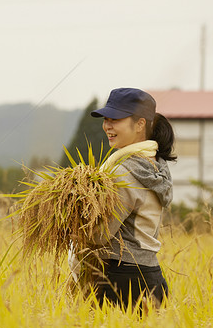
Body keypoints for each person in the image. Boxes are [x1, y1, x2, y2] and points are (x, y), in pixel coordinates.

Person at [75, 87, 175, 310]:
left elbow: (100, 234)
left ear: (140, 124)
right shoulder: (156, 165)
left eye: (116, 119)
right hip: (151, 277)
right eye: (106, 119)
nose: (107, 126)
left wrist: (71, 221)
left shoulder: (124, 172)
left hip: (122, 279)